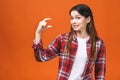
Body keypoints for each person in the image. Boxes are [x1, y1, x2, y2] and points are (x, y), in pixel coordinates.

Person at [32, 4, 106, 80]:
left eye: (77, 18)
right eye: (72, 18)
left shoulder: (98, 43)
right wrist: (38, 33)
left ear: (88, 19)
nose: (73, 21)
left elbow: (100, 72)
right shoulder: (63, 39)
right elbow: (41, 57)